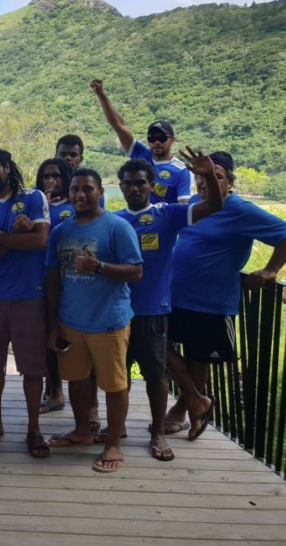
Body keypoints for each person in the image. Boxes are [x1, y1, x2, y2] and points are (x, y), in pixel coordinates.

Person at [165, 151, 286, 439]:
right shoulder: (195, 204)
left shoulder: (240, 209)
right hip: (174, 295)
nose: (206, 182)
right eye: (201, 177)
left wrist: (271, 270)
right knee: (156, 345)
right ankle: (196, 401)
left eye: (214, 176)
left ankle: (186, 413)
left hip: (212, 302)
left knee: (199, 358)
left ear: (229, 182)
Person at [115, 151, 223, 461]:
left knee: (156, 378)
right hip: (118, 314)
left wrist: (211, 176)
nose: (134, 188)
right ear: (120, 187)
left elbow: (213, 206)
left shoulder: (169, 214)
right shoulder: (114, 221)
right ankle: (117, 427)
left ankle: (158, 432)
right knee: (117, 376)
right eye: (128, 184)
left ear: (152, 186)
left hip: (153, 311)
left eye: (141, 183)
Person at [45, 168, 143, 473]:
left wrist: (98, 266)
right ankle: (82, 430)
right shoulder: (61, 230)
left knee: (114, 385)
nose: (80, 195)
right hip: (71, 322)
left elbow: (137, 271)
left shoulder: (117, 227)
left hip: (108, 322)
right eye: (75, 189)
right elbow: (52, 278)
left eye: (87, 189)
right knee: (76, 379)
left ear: (100, 192)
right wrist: (52, 323)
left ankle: (112, 443)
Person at [0, 149, 51, 458]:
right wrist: (12, 234)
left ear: (7, 167)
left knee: (32, 369)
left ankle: (34, 430)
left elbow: (39, 240)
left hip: (29, 296)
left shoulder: (33, 198)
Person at [91, 79, 193, 204]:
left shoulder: (181, 171)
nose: (156, 142)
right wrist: (101, 94)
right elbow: (118, 125)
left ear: (172, 140)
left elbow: (184, 206)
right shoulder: (141, 154)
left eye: (161, 137)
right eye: (151, 138)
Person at [35, 157, 75, 413]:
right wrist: (42, 209)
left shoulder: (74, 206)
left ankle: (83, 400)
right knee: (45, 337)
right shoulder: (35, 204)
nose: (52, 181)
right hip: (40, 280)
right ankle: (54, 390)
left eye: (57, 176)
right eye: (47, 176)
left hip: (70, 282)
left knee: (70, 337)